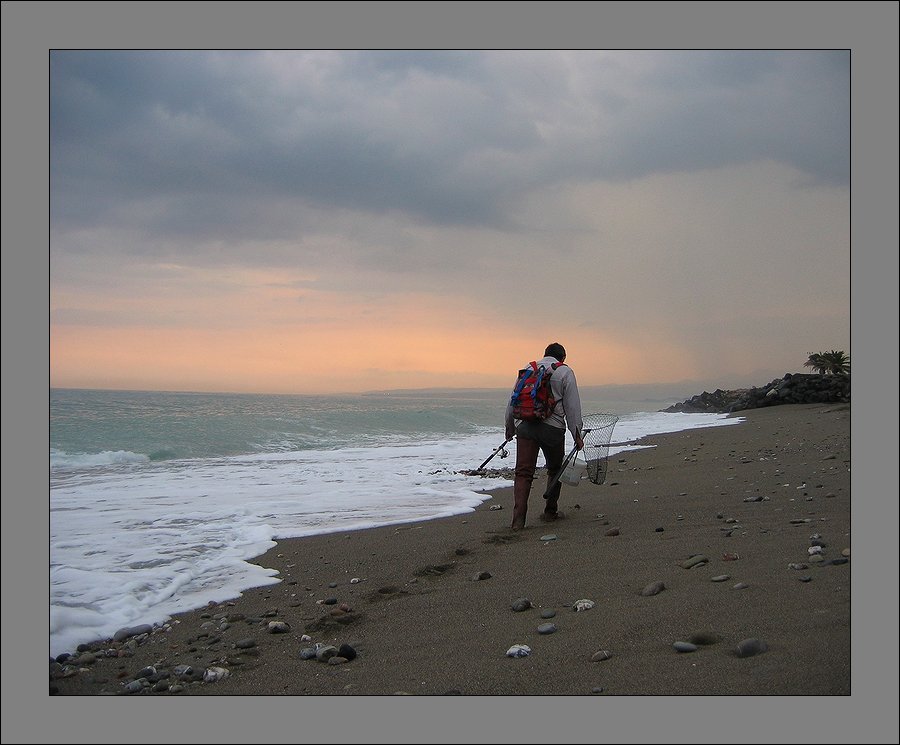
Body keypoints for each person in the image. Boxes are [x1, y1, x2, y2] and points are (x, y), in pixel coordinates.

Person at [504, 342, 584, 530]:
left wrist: (509, 428)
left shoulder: (528, 368)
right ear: (562, 358)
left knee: (523, 473)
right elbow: (573, 408)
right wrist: (577, 435)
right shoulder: (565, 372)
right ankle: (550, 512)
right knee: (555, 469)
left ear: (544, 354)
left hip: (525, 427)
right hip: (553, 429)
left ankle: (518, 520)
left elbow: (512, 400)